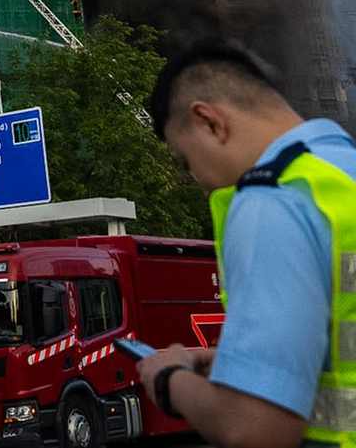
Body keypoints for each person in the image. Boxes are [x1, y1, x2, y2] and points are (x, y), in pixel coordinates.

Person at [138, 40, 356, 448]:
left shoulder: (271, 199)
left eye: (186, 163)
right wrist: (240, 367)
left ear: (209, 121)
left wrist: (170, 380)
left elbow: (254, 430)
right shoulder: (342, 176)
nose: (201, 186)